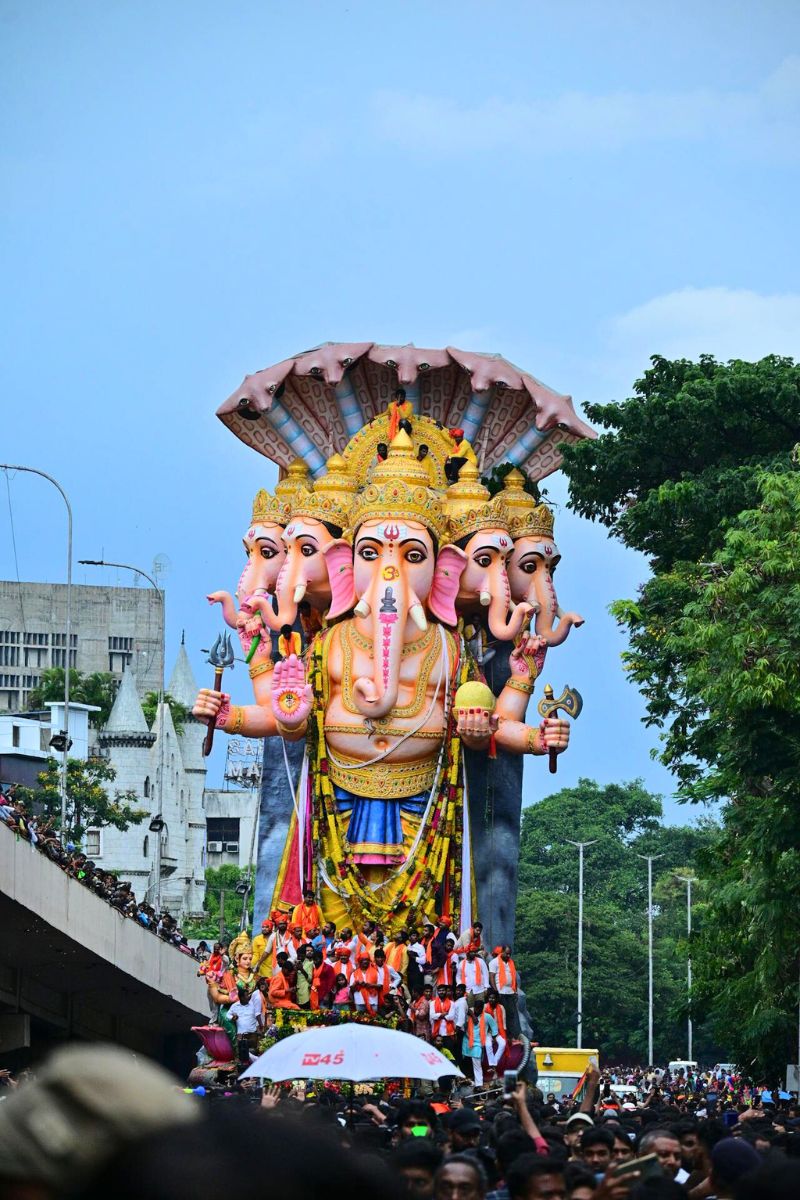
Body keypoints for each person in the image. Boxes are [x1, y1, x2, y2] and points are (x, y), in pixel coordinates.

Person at [462, 999, 497, 1087]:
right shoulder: (469, 1014)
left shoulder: (487, 1016)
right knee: (465, 1062)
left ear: (482, 1008)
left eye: (480, 1008)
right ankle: (468, 1082)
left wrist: (493, 1037)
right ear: (474, 1008)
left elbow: (494, 1027)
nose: (478, 1010)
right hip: (466, 1041)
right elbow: (465, 1008)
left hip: (478, 1044)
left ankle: (479, 1085)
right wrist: (472, 1015)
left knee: (477, 1065)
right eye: (476, 1008)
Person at [227, 983, 264, 1066]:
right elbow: (228, 1015)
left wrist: (260, 1028)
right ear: (242, 998)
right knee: (242, 1056)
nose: (249, 997)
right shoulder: (235, 1006)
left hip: (252, 1034)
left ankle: (254, 1070)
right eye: (247, 995)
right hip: (241, 1035)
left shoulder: (253, 1005)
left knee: (253, 1052)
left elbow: (257, 1016)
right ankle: (243, 1072)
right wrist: (233, 1017)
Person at [488, 946, 520, 1038]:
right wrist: (495, 991)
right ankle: (500, 1034)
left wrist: (516, 991)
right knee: (501, 1014)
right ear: (501, 952)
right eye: (507, 953)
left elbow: (514, 977)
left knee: (511, 1014)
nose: (508, 955)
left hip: (510, 992)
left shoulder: (511, 962)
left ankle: (510, 1035)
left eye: (510, 954)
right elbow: (492, 977)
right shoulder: (494, 962)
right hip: (500, 992)